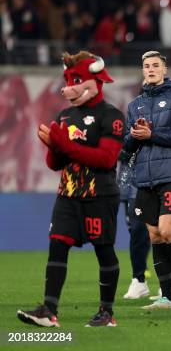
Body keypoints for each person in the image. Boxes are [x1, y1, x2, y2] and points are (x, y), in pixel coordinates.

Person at [18, 51, 124, 327]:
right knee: (57, 245)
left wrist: (64, 145)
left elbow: (106, 159)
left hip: (99, 195)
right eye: (68, 79)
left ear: (95, 79)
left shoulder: (112, 116)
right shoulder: (66, 115)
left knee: (104, 250)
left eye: (77, 79)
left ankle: (106, 312)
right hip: (67, 194)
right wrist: (52, 147)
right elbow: (55, 164)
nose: (69, 86)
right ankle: (49, 310)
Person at [125, 51, 171, 309]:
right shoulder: (135, 106)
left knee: (168, 231)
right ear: (143, 71)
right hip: (145, 178)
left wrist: (151, 133)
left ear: (164, 69)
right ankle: (167, 296)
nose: (151, 69)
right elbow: (127, 146)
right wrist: (134, 136)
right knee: (154, 235)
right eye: (146, 66)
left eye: (156, 65)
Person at [118, 149, 151, 299]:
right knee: (137, 231)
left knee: (166, 231)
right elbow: (118, 150)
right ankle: (138, 279)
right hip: (131, 182)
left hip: (161, 174)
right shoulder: (123, 125)